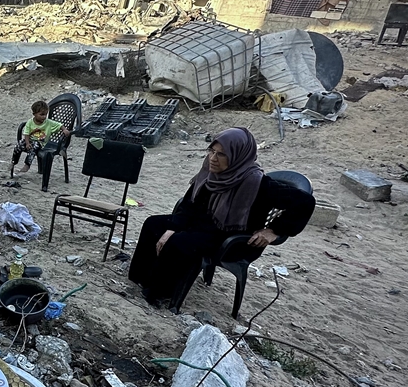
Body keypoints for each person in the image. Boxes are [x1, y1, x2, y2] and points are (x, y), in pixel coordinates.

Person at [129, 127, 314, 308]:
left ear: (237, 156)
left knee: (180, 242)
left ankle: (160, 292)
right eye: (212, 151)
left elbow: (305, 202)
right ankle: (142, 279)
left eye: (221, 154)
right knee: (154, 224)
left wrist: (274, 230)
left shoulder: (257, 183)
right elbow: (189, 204)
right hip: (202, 226)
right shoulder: (210, 172)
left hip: (232, 239)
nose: (213, 158)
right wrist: (172, 227)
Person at [13, 100, 70, 184]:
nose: (44, 117)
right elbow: (26, 134)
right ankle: (14, 161)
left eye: (45, 114)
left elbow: (59, 125)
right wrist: (27, 143)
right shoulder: (30, 122)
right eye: (42, 114)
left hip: (40, 142)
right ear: (34, 114)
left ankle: (27, 164)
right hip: (30, 140)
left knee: (34, 146)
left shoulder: (48, 123)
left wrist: (64, 129)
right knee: (19, 145)